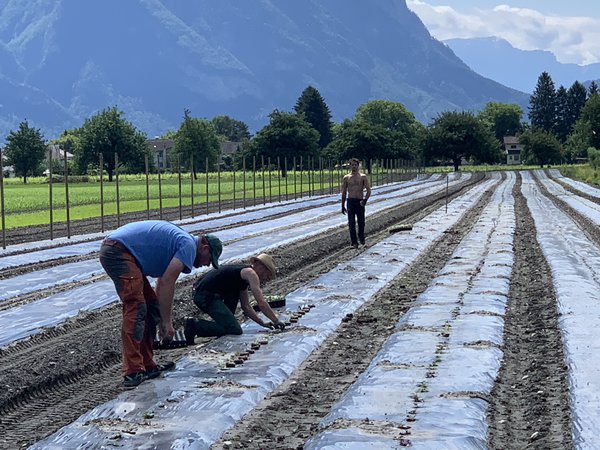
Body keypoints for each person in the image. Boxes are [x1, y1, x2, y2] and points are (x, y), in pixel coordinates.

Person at [99, 220, 222, 388]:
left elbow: (162, 283)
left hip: (122, 250)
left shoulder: (183, 241)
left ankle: (148, 364)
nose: (206, 264)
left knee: (150, 306)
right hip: (118, 251)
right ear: (204, 248)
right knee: (136, 307)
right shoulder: (188, 246)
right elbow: (166, 282)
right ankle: (132, 371)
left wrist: (162, 318)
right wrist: (166, 322)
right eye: (209, 260)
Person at [184, 253, 285, 342]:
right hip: (205, 295)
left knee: (230, 321)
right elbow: (261, 303)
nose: (264, 279)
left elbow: (246, 307)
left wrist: (262, 323)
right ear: (261, 266)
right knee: (234, 329)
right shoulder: (251, 273)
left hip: (205, 294)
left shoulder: (243, 277)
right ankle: (194, 325)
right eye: (267, 275)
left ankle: (213, 325)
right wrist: (276, 321)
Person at [341, 158, 371, 248]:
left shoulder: (363, 177)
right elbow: (344, 192)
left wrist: (365, 200)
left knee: (361, 221)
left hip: (360, 201)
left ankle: (361, 236)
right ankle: (354, 242)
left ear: (358, 166)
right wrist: (342, 205)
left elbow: (368, 190)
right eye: (352, 165)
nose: (354, 166)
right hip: (350, 201)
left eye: (355, 165)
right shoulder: (346, 178)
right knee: (351, 222)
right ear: (350, 166)